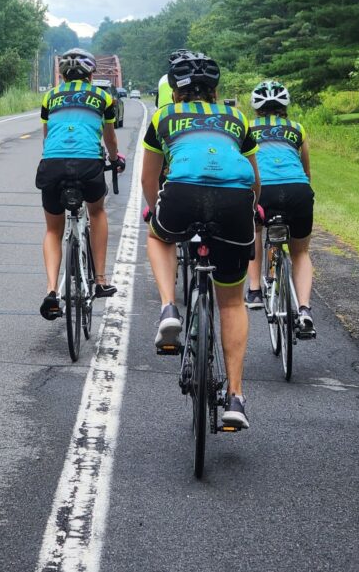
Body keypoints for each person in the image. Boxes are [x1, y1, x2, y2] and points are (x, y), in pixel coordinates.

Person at [142, 52, 261, 429]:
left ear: (174, 90)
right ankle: (236, 397)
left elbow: (149, 178)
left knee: (158, 236)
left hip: (181, 195)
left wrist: (155, 212)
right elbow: (254, 180)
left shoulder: (163, 117)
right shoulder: (237, 118)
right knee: (232, 302)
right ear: (215, 90)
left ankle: (168, 309)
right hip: (234, 203)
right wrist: (250, 210)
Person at [37, 48, 125, 320]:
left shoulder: (50, 96)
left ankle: (52, 291)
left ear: (62, 76)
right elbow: (110, 138)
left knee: (53, 230)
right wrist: (115, 159)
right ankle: (100, 280)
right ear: (90, 75)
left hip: (52, 163)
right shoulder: (103, 97)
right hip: (88, 164)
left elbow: (46, 135)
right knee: (96, 212)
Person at [244, 81, 315, 335]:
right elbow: (306, 170)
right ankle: (304, 309)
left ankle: (254, 291)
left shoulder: (248, 128)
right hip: (298, 191)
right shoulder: (296, 129)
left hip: (264, 190)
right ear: (285, 105)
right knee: (301, 252)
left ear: (256, 107)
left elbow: (243, 165)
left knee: (255, 231)